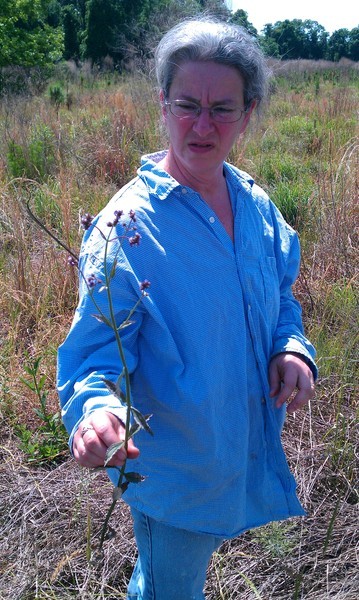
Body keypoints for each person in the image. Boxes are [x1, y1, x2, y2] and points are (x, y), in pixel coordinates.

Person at [58, 17, 317, 600]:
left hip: (238, 447)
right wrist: (96, 413)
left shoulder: (256, 205)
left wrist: (291, 348)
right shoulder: (123, 230)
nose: (203, 125)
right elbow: (92, 358)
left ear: (248, 112)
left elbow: (280, 297)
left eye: (222, 108)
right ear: (162, 105)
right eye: (186, 105)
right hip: (176, 469)